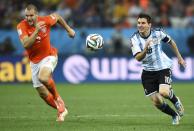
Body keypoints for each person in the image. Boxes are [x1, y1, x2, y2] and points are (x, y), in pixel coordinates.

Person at [17, 4, 75, 122]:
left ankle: (58, 99)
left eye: (31, 15)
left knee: (43, 78)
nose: (29, 18)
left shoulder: (45, 20)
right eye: (27, 16)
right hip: (34, 62)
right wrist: (37, 31)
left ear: (36, 15)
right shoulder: (21, 26)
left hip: (49, 56)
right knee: (42, 93)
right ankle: (62, 109)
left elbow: (57, 17)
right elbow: (26, 44)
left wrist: (69, 29)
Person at [129, 13, 185, 125]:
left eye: (143, 23)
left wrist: (179, 57)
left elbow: (171, 42)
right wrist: (145, 49)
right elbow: (138, 58)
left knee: (164, 92)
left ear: (149, 24)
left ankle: (175, 100)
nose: (140, 25)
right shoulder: (134, 39)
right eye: (139, 23)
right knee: (157, 101)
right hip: (147, 72)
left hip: (162, 67)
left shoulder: (158, 33)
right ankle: (174, 115)